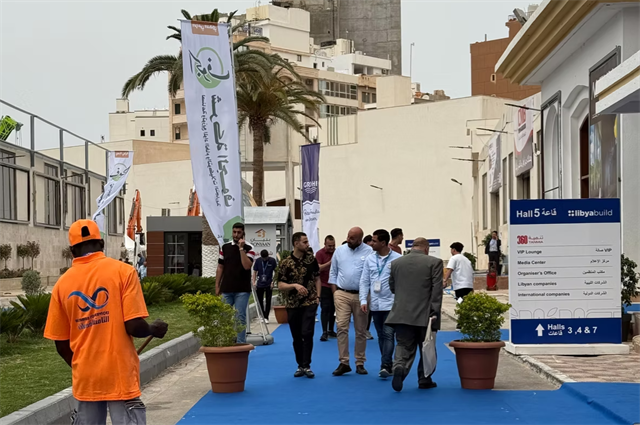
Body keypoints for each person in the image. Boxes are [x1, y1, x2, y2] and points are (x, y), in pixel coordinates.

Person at [44, 219, 168, 425]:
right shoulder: (124, 272)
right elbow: (134, 326)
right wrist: (153, 329)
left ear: (72, 250)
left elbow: (61, 344)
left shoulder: (61, 285)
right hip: (120, 374)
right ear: (101, 243)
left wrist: (83, 367)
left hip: (86, 379)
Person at [386, 238, 443, 392]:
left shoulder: (396, 263)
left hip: (401, 313)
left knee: (403, 345)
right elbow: (436, 290)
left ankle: (399, 367)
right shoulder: (435, 263)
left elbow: (392, 287)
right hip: (425, 314)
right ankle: (424, 378)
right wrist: (434, 312)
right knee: (427, 347)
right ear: (426, 249)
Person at [329, 227, 373, 376]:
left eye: (352, 238)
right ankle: (344, 362)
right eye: (348, 237)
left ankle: (360, 362)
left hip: (362, 296)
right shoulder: (339, 251)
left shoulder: (369, 251)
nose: (348, 240)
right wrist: (335, 293)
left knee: (361, 330)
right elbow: (333, 272)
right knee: (341, 327)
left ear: (360, 239)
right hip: (342, 294)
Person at [278, 232, 321, 378]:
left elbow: (317, 278)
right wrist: (294, 285)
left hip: (310, 302)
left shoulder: (311, 260)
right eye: (304, 242)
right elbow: (280, 285)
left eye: (307, 241)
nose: (307, 244)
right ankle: (300, 365)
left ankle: (307, 365)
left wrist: (318, 296)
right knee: (296, 336)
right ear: (296, 243)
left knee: (307, 333)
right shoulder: (285, 263)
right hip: (292, 304)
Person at [360, 229, 402, 378]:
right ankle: (387, 363)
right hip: (375, 304)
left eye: (374, 241)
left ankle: (385, 365)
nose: (371, 243)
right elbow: (364, 281)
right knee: (381, 335)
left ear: (383, 243)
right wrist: (363, 300)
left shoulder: (397, 259)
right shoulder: (370, 259)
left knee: (388, 334)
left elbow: (402, 282)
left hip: (391, 303)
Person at [216, 222, 256, 344]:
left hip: (242, 289)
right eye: (234, 232)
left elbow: (247, 266)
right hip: (226, 288)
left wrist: (241, 249)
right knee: (224, 316)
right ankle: (226, 342)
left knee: (240, 317)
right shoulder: (225, 247)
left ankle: (240, 342)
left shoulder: (250, 248)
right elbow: (220, 267)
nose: (236, 235)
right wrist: (217, 285)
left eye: (239, 232)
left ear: (243, 233)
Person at [316, 235, 337, 341]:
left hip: (336, 285)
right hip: (324, 285)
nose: (332, 248)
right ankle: (324, 331)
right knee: (325, 308)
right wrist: (330, 263)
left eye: (333, 245)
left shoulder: (337, 252)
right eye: (329, 246)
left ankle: (331, 330)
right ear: (325, 244)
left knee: (334, 308)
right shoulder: (319, 254)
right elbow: (318, 268)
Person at [253, 250, 277, 323]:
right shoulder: (258, 261)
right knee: (259, 300)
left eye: (266, 258)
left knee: (268, 300)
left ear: (268, 256)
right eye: (263, 258)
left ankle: (266, 317)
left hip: (269, 283)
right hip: (260, 283)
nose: (264, 259)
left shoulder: (272, 261)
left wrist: (273, 282)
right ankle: (262, 315)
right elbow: (254, 272)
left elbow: (276, 272)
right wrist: (254, 282)